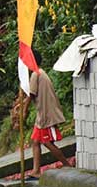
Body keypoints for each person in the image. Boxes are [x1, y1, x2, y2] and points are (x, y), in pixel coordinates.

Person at [24, 48, 71, 178]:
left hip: (46, 116)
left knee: (47, 142)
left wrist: (24, 110)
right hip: (42, 115)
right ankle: (36, 170)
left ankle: (67, 164)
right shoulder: (39, 73)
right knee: (35, 141)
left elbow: (31, 95)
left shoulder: (36, 74)